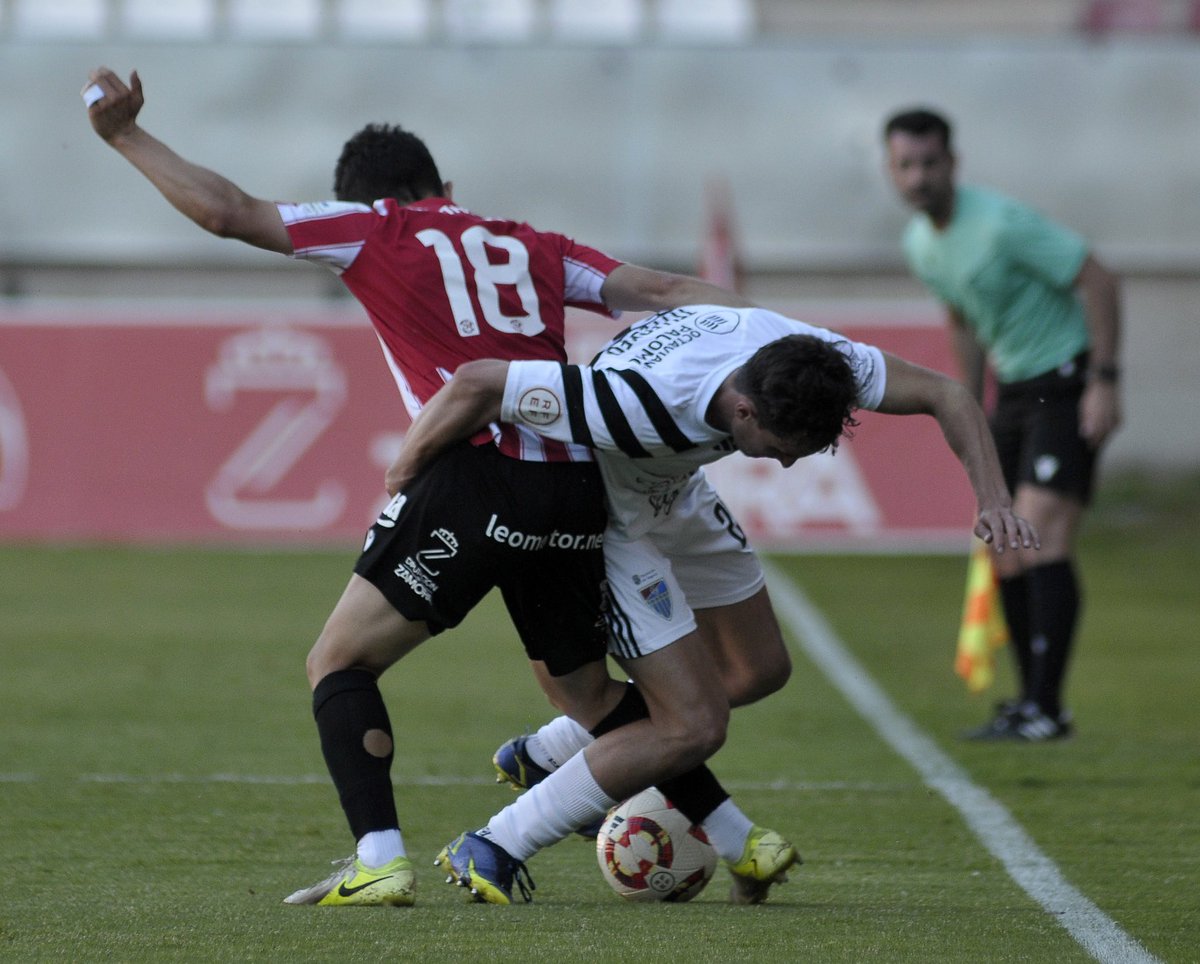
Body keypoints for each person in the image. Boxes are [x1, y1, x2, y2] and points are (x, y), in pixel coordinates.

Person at [82, 66, 770, 907]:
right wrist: (786, 342)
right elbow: (665, 292)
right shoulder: (536, 246)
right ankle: (742, 840)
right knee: (588, 693)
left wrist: (126, 135)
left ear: (368, 198)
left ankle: (379, 858)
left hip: (476, 477)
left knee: (339, 661)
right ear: (446, 185)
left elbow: (228, 211)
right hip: (576, 486)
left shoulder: (374, 228)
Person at [387, 304, 1039, 902]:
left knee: (760, 670)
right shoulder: (636, 403)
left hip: (677, 489)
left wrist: (994, 500)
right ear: (745, 411)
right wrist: (402, 481)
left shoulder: (801, 355)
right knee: (693, 726)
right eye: (782, 450)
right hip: (611, 520)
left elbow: (947, 393)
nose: (787, 466)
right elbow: (479, 383)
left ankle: (556, 751)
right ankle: (497, 842)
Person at [883, 107, 1122, 741]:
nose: (918, 177)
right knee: (1006, 546)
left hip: (1064, 380)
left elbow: (1098, 278)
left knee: (1041, 533)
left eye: (930, 163)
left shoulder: (1000, 223)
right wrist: (968, 402)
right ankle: (1030, 702)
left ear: (952, 163)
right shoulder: (920, 244)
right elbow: (963, 318)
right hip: (1013, 392)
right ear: (891, 171)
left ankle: (1048, 708)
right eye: (906, 165)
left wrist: (1104, 380)